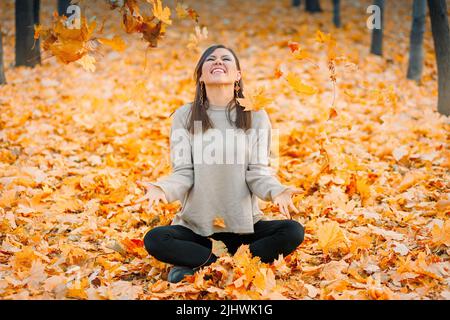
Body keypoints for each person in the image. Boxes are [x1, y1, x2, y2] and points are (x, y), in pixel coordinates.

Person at [136, 44, 304, 283]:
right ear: (201, 76)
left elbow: (259, 173)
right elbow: (184, 173)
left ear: (237, 75)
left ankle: (199, 265)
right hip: (197, 231)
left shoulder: (257, 115)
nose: (218, 62)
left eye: (226, 59)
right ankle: (223, 265)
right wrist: (161, 188)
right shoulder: (185, 115)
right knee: (155, 239)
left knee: (293, 231)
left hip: (245, 229)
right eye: (210, 59)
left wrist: (277, 191)